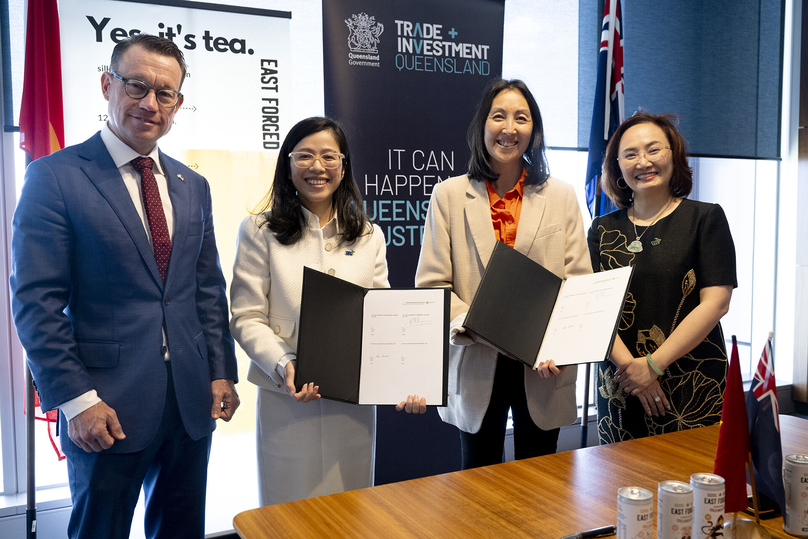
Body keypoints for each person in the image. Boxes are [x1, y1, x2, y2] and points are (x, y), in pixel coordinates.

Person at [9, 34, 239, 538]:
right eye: (137, 86)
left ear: (178, 104)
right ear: (107, 84)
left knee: (180, 530)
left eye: (167, 94)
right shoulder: (55, 177)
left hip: (189, 402)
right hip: (104, 407)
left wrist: (221, 372)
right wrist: (76, 400)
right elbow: (35, 304)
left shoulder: (190, 185)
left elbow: (205, 290)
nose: (150, 104)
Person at [229, 116, 426, 506]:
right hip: (286, 400)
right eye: (304, 156)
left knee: (350, 514)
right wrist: (285, 363)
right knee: (288, 517)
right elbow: (245, 316)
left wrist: (406, 380)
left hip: (350, 407)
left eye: (328, 156)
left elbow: (382, 318)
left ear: (344, 164)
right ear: (287, 164)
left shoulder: (369, 235)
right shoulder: (259, 230)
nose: (316, 167)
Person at [414, 79, 591, 469]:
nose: (509, 128)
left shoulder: (561, 195)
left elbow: (578, 280)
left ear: (534, 131)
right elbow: (432, 285)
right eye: (499, 116)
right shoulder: (448, 195)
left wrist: (558, 343)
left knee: (544, 483)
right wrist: (477, 326)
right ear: (482, 126)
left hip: (545, 365)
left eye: (521, 118)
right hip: (476, 355)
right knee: (477, 486)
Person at [588, 112, 737, 444]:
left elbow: (716, 304)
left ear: (674, 154)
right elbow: (593, 312)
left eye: (653, 150)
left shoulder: (705, 218)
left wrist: (654, 365)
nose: (643, 161)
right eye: (630, 154)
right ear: (616, 166)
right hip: (622, 384)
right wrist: (635, 371)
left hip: (693, 379)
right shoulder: (602, 230)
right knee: (621, 487)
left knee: (694, 486)